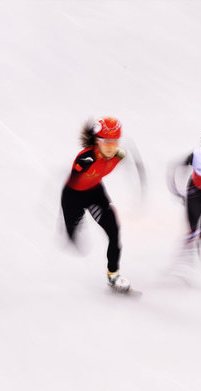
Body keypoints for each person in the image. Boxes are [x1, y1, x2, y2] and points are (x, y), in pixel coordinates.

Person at [61, 117, 138, 291]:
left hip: (95, 194)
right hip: (73, 197)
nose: (111, 146)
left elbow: (130, 161)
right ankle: (71, 230)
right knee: (73, 236)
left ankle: (113, 275)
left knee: (114, 231)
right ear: (97, 141)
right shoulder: (85, 160)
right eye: (106, 141)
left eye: (115, 141)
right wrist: (71, 215)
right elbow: (69, 186)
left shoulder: (119, 154)